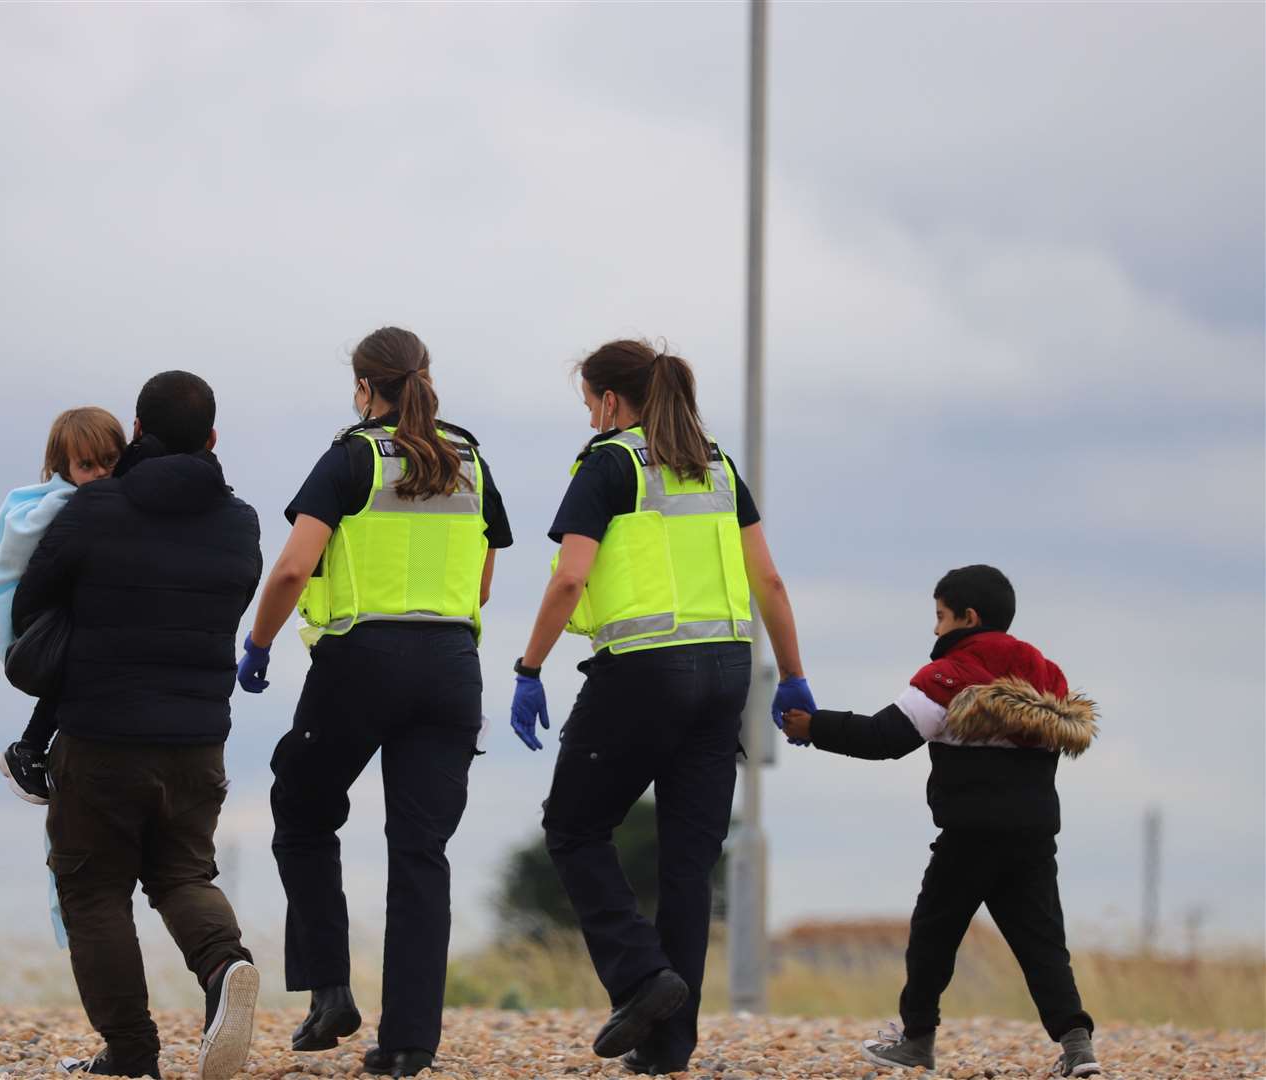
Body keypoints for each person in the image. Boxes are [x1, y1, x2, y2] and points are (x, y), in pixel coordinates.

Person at [508, 339, 813, 1075]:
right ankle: (667, 1048)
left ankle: (643, 979)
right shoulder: (718, 467)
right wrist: (794, 677)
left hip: (643, 673)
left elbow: (567, 581)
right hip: (728, 676)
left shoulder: (609, 464)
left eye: (588, 403)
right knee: (687, 864)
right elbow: (768, 582)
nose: (589, 417)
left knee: (576, 827)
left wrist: (530, 667)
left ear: (611, 401)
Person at [237, 326, 512, 1079]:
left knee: (302, 809)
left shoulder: (353, 455)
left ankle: (330, 992)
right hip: (453, 665)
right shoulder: (470, 461)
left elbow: (294, 568)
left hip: (360, 662)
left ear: (366, 387)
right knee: (421, 851)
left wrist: (258, 645)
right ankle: (409, 1044)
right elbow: (484, 581)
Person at [13, 371, 263, 1080]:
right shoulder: (240, 521)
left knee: (93, 892)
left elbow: (32, 606)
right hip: (198, 741)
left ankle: (129, 1055)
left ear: (136, 431)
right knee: (183, 873)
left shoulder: (95, 510)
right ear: (212, 439)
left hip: (101, 739)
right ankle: (224, 966)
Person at [781, 565, 1103, 1078]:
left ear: (968, 617)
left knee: (933, 936)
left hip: (969, 837)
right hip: (1033, 836)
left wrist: (813, 726)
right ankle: (1077, 1043)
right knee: (1042, 943)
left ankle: (916, 1040)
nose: (935, 630)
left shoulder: (948, 677)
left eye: (940, 617)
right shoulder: (1048, 676)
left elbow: (883, 738)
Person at [0, 406, 126, 805]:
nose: (99, 474)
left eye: (109, 462)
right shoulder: (59, 507)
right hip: (50, 622)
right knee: (73, 673)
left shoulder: (90, 503)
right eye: (87, 465)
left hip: (65, 620)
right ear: (64, 468)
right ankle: (28, 747)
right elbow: (17, 548)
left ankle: (30, 747)